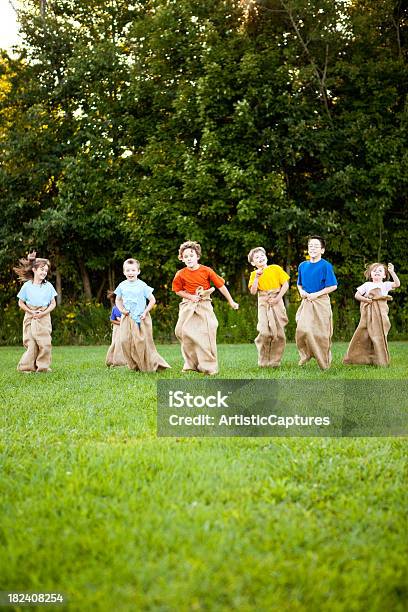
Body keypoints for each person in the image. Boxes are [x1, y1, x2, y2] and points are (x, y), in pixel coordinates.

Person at [172, 241, 239, 375]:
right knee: (183, 332)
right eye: (186, 256)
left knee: (207, 333)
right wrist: (191, 297)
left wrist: (231, 301)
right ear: (182, 259)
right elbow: (177, 291)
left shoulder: (206, 270)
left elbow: (221, 286)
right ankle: (190, 364)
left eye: (191, 255)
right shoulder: (180, 274)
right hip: (188, 305)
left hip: (204, 304)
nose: (189, 258)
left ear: (197, 256)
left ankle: (208, 366)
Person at [114, 258, 170, 372]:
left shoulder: (142, 285)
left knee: (140, 342)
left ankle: (145, 365)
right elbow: (118, 300)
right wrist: (121, 310)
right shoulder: (122, 285)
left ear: (138, 271)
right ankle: (132, 365)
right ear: (124, 272)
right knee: (124, 340)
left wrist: (145, 312)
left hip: (141, 317)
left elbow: (152, 300)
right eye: (128, 270)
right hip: (127, 317)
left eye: (133, 270)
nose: (130, 273)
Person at [343, 262, 400, 366]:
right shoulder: (367, 285)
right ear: (370, 274)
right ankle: (360, 358)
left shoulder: (385, 285)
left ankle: (380, 360)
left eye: (380, 271)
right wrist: (366, 300)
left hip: (381, 315)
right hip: (369, 314)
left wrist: (392, 272)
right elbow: (357, 295)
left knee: (380, 335)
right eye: (374, 271)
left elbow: (397, 284)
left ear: (384, 275)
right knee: (365, 334)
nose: (377, 272)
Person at [296, 236, 337, 370]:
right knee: (303, 329)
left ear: (322, 250)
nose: (312, 248)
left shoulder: (326, 266)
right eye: (310, 246)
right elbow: (299, 284)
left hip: (321, 302)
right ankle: (306, 354)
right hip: (307, 301)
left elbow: (333, 286)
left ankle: (324, 362)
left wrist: (316, 294)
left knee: (322, 334)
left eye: (316, 246)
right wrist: (301, 291)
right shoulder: (303, 265)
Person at [14, 251, 57, 372]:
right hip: (30, 316)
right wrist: (30, 312)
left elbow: (53, 303)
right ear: (34, 270)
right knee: (31, 343)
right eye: (42, 269)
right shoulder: (27, 286)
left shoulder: (48, 286)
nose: (44, 272)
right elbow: (21, 303)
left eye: (46, 270)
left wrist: (43, 313)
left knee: (45, 343)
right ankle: (26, 367)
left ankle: (43, 367)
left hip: (44, 316)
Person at [248, 247, 289, 367]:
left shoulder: (275, 268)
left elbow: (285, 284)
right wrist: (256, 277)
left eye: (262, 255)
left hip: (277, 300)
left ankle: (275, 361)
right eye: (256, 257)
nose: (260, 258)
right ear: (253, 263)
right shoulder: (254, 274)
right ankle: (263, 360)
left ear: (266, 257)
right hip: (263, 301)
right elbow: (253, 292)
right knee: (264, 331)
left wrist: (277, 299)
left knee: (278, 333)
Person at [105, 291, 127, 367]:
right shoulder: (115, 308)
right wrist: (120, 323)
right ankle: (112, 360)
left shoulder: (126, 309)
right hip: (117, 329)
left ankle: (125, 360)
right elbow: (111, 320)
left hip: (126, 328)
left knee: (125, 343)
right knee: (116, 343)